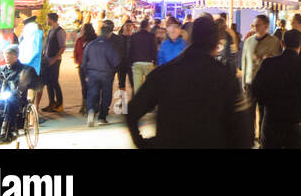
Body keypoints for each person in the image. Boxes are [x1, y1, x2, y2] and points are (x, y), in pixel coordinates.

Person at [126, 15, 253, 149]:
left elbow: (133, 111)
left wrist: (143, 143)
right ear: (216, 43)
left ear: (190, 38)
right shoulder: (225, 78)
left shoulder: (165, 73)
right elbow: (241, 130)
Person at [251, 29, 301, 148]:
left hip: (272, 118)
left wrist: (265, 102)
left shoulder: (269, 63)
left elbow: (256, 89)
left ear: (282, 43)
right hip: (296, 119)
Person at [81, 21, 121, 127]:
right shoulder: (110, 45)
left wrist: (86, 74)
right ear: (109, 34)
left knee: (92, 94)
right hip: (106, 74)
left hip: (92, 74)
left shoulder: (90, 44)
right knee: (106, 95)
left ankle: (91, 111)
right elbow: (116, 61)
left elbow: (84, 61)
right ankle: (102, 117)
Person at [40, 13, 66, 114]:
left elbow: (62, 47)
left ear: (51, 19)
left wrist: (54, 59)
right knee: (49, 83)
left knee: (55, 82)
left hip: (54, 61)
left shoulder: (60, 31)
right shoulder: (51, 30)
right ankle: (52, 103)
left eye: (47, 19)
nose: (46, 21)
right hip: (47, 60)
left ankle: (59, 104)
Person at [18, 17, 45, 110]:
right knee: (33, 88)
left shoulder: (30, 36)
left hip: (31, 65)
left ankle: (30, 110)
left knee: (29, 88)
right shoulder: (38, 35)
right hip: (35, 65)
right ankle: (33, 108)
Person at [129, 19, 158, 93]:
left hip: (136, 63)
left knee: (137, 87)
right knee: (149, 85)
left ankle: (138, 102)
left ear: (140, 26)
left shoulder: (134, 36)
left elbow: (130, 50)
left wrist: (130, 62)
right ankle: (148, 101)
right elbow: (154, 50)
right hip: (148, 62)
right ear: (147, 26)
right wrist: (155, 61)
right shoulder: (151, 36)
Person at [73, 22, 96, 114]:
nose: (81, 31)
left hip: (92, 67)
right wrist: (77, 60)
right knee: (84, 86)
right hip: (82, 67)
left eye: (82, 29)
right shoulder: (79, 40)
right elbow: (76, 52)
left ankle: (93, 105)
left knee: (92, 86)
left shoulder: (94, 40)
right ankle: (85, 104)